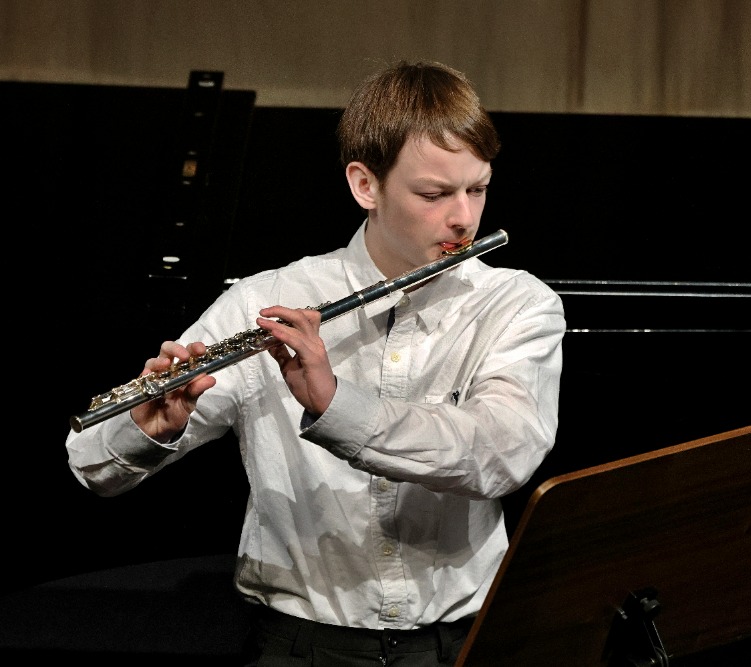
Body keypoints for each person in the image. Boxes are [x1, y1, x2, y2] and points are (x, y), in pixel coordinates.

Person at [65, 60, 565, 666]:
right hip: (298, 647)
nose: (463, 216)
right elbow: (91, 465)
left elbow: (502, 454)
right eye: (434, 194)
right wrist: (147, 429)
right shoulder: (265, 301)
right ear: (365, 185)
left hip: (461, 645)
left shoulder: (516, 304)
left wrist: (334, 404)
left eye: (477, 189)